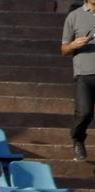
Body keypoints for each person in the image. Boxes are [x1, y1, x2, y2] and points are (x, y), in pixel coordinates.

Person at [61, 0, 95, 160]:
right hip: (84, 74)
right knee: (84, 113)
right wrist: (74, 45)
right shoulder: (74, 16)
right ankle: (77, 138)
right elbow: (64, 49)